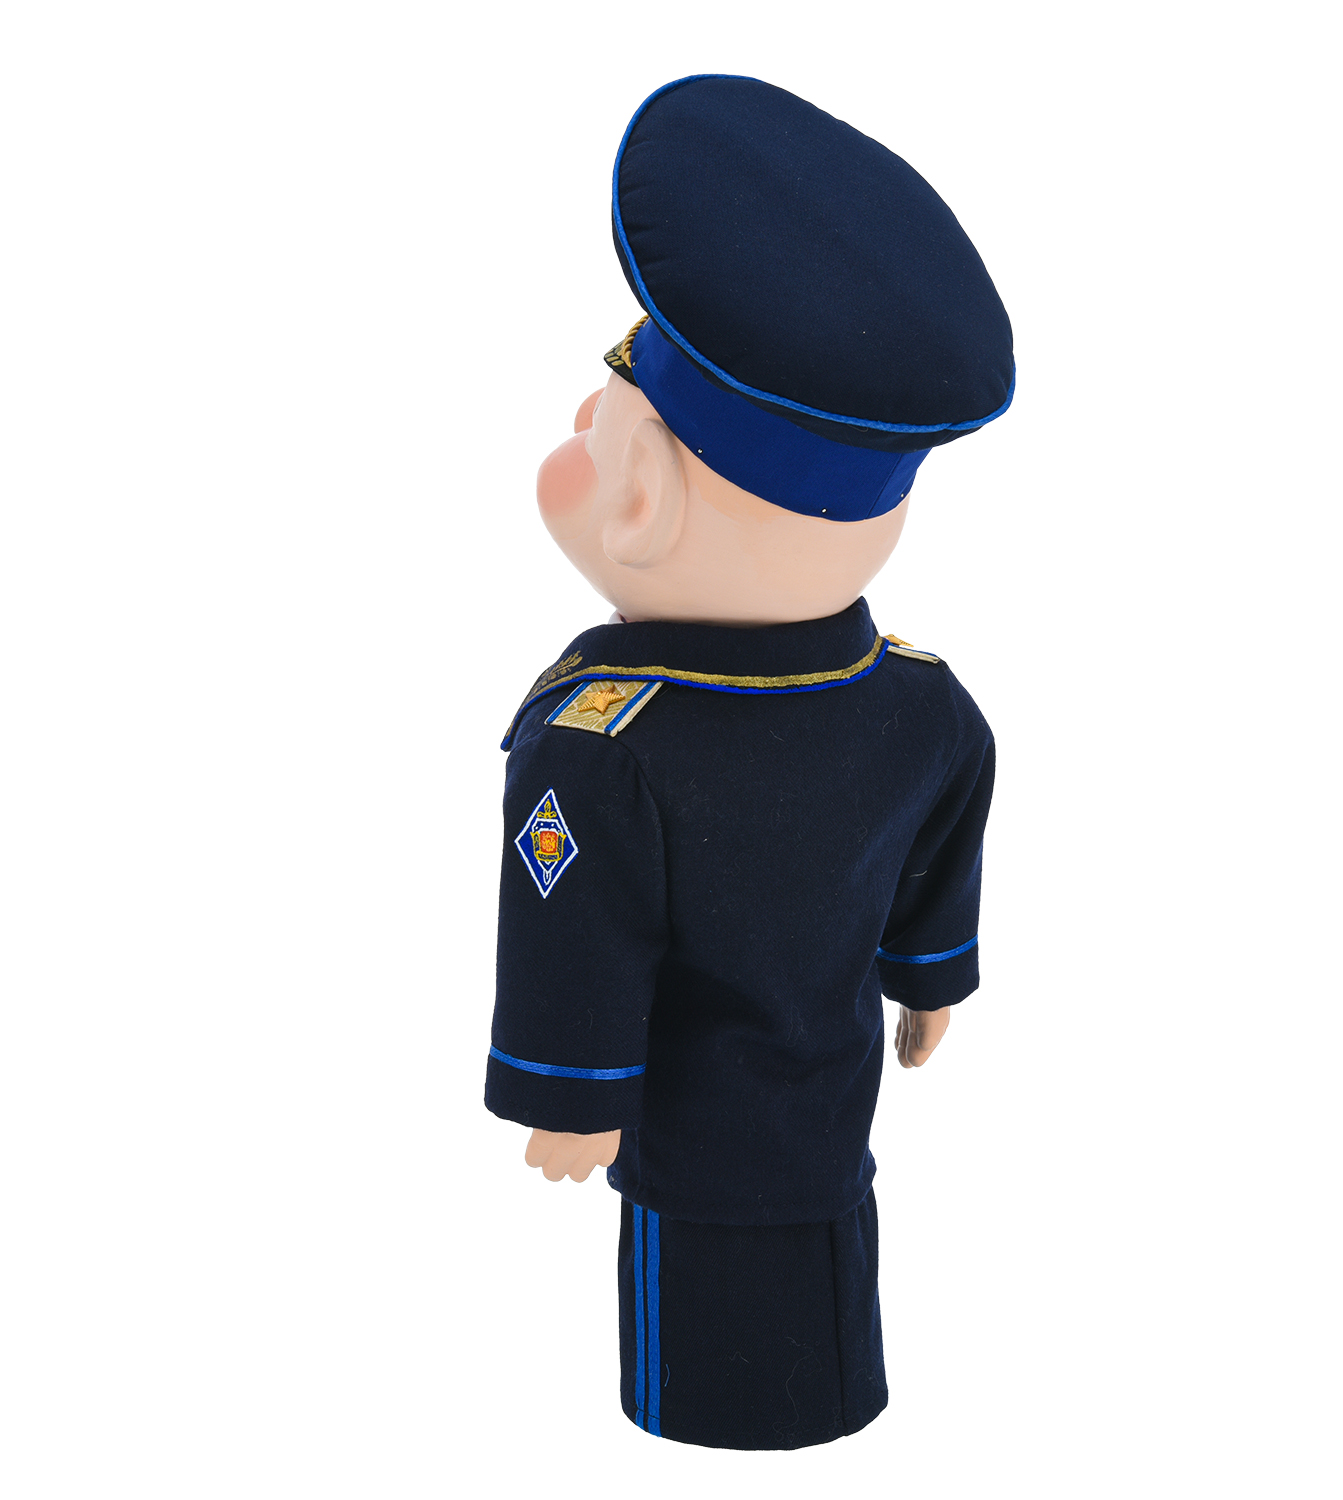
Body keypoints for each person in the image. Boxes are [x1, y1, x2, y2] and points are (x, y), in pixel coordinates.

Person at [486, 74, 1014, 1450]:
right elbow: (949, 816)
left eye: (593, 434)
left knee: (705, 1352)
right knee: (830, 1295)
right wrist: (929, 977)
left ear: (642, 503)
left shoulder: (602, 748)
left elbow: (578, 932)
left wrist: (568, 1096)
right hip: (832, 1110)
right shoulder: (917, 702)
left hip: (692, 1142)